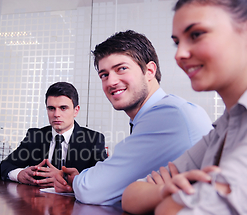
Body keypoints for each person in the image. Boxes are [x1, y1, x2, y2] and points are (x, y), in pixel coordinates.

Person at [122, 0, 247, 215]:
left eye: (196, 34)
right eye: (177, 42)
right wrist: (164, 193)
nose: (179, 54)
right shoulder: (227, 125)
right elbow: (130, 196)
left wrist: (166, 197)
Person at [53, 30, 212, 205]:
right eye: (104, 75)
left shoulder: (169, 115)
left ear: (150, 70)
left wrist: (77, 181)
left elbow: (92, 189)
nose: (111, 82)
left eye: (121, 69)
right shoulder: (160, 113)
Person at [0, 81, 107, 187]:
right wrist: (19, 174)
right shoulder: (35, 136)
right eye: (51, 108)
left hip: (74, 202)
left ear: (76, 110)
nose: (56, 114)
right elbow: (4, 166)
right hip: (37, 200)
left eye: (63, 108)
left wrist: (65, 178)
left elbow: (102, 179)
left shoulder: (93, 139)